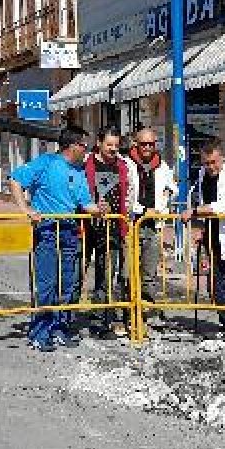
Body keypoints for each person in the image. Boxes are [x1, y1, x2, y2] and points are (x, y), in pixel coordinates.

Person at [9, 126, 105, 352]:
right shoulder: (46, 162)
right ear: (73, 146)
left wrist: (99, 209)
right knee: (47, 284)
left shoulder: (79, 171)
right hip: (47, 230)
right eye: (84, 146)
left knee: (68, 284)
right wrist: (26, 209)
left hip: (70, 230)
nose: (87, 150)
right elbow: (15, 180)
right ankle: (40, 333)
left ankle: (61, 329)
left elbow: (85, 203)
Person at [182, 140, 225, 341]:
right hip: (212, 231)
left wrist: (194, 212)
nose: (210, 167)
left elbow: (224, 206)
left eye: (214, 162)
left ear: (222, 158)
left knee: (221, 282)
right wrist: (202, 228)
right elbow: (205, 200)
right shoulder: (203, 174)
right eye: (206, 163)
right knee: (216, 282)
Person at [84, 126, 132, 339]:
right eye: (109, 144)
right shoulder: (86, 163)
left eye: (116, 145)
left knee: (106, 276)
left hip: (112, 228)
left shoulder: (122, 166)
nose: (113, 149)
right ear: (99, 143)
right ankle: (64, 320)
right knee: (76, 275)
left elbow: (127, 195)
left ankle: (101, 321)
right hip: (85, 226)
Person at [129, 127, 178, 328]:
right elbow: (126, 195)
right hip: (131, 224)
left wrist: (167, 194)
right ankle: (129, 313)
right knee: (129, 273)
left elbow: (173, 187)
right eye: (144, 144)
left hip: (154, 226)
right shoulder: (127, 164)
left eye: (151, 144)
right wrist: (143, 209)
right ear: (136, 144)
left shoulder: (162, 165)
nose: (148, 147)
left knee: (149, 273)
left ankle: (148, 312)